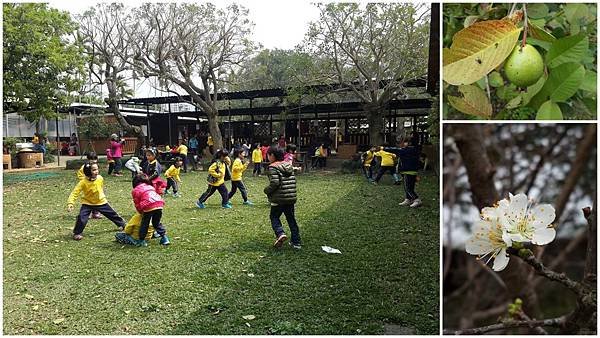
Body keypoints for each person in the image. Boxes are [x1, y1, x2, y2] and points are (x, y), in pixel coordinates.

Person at [67, 162, 126, 240]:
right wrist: (70, 203)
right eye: (94, 170)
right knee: (82, 217)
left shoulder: (100, 178)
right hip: (87, 203)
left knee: (112, 214)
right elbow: (75, 193)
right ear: (88, 171)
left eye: (97, 169)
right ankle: (77, 233)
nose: (97, 171)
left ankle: (123, 225)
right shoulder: (83, 182)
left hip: (101, 202)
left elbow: (100, 187)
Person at [264, 146, 301, 249]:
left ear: (272, 155)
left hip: (278, 198)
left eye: (268, 155)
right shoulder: (288, 165)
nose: (268, 157)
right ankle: (296, 242)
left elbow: (275, 183)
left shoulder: (273, 167)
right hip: (290, 198)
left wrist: (266, 190)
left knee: (274, 217)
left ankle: (280, 233)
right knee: (291, 219)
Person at [131, 174, 169, 246]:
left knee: (145, 224)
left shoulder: (135, 190)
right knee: (156, 223)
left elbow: (137, 203)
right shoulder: (150, 186)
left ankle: (142, 240)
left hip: (148, 206)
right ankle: (164, 238)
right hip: (159, 204)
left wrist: (140, 212)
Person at [384, 139, 422, 208]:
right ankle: (408, 199)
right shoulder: (414, 150)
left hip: (408, 171)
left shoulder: (406, 150)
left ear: (409, 143)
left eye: (404, 142)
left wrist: (382, 148)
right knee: (410, 186)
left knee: (407, 187)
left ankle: (416, 199)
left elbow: (395, 150)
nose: (402, 144)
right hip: (413, 171)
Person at [76, 152, 103, 220]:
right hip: (87, 186)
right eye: (91, 159)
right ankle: (86, 213)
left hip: (95, 186)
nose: (93, 161)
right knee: (88, 200)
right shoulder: (85, 167)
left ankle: (95, 213)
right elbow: (80, 174)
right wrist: (85, 180)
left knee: (96, 198)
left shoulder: (95, 166)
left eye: (95, 159)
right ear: (88, 159)